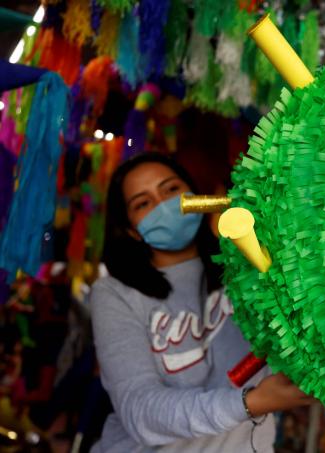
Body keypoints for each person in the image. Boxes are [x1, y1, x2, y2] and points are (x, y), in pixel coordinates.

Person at [90, 153, 313, 452]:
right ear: (131, 230)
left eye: (171, 189)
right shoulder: (115, 293)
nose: (164, 205)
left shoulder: (248, 265)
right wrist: (251, 402)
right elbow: (139, 408)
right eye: (143, 203)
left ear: (197, 195)